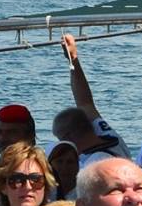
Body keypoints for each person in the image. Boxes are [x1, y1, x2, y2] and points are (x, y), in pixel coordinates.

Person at [50, 33, 132, 169]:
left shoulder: (95, 164)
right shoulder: (110, 137)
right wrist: (73, 59)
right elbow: (85, 103)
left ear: (68, 137)